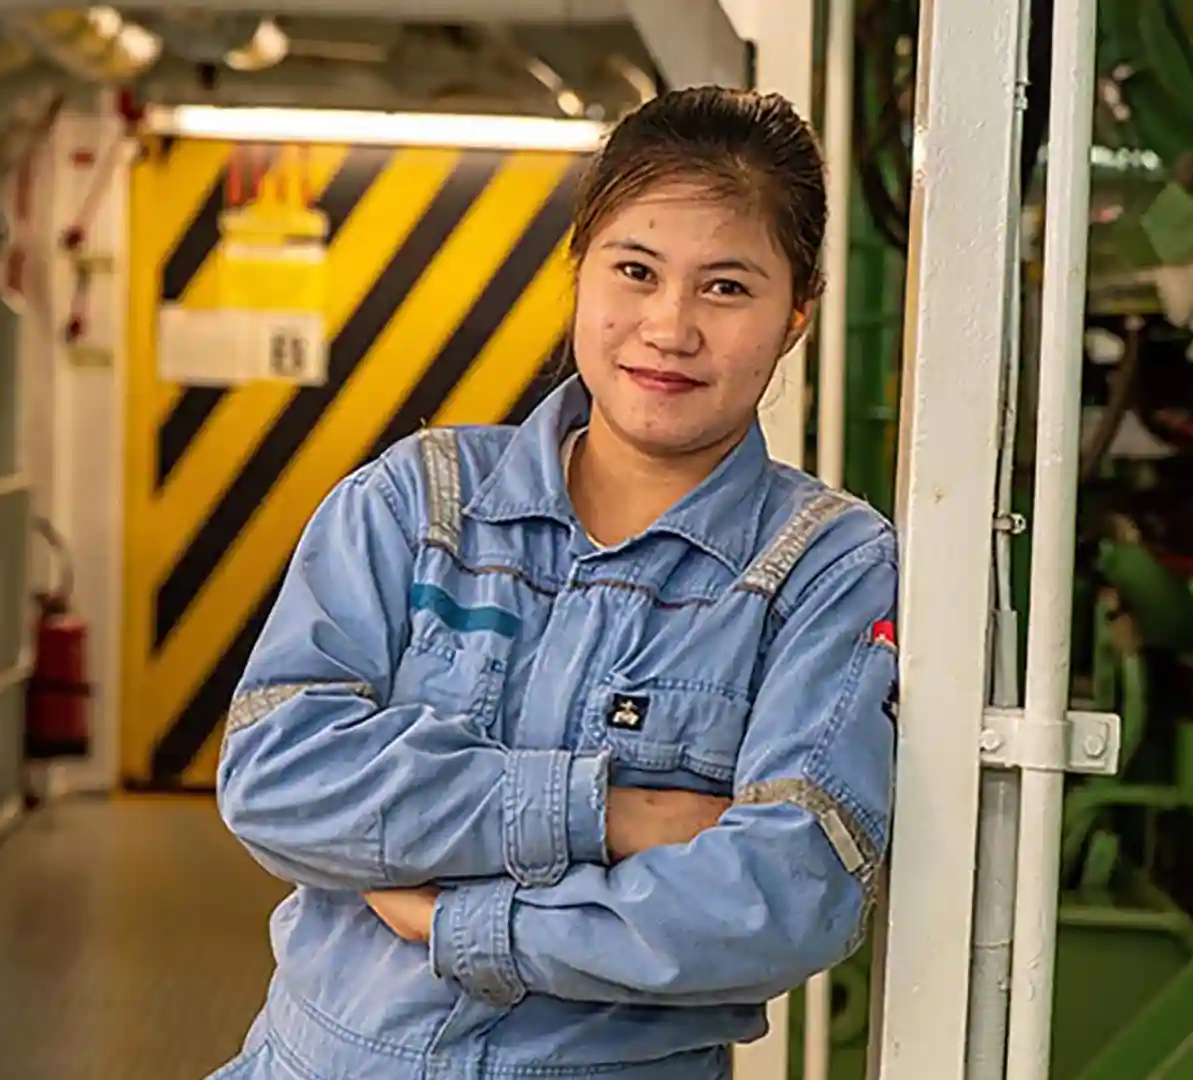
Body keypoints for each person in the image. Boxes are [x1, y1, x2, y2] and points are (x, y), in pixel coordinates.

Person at [209, 86, 898, 1080]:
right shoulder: (419, 502)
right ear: (580, 271)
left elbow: (787, 893)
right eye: (636, 270)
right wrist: (612, 813)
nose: (668, 327)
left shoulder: (827, 567)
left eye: (727, 288)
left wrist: (466, 921)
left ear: (797, 316)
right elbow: (276, 777)